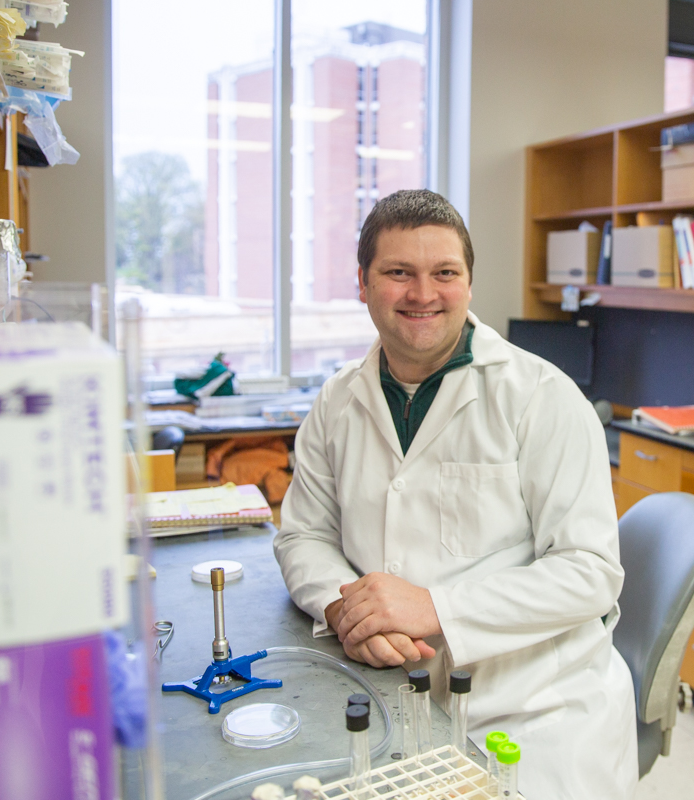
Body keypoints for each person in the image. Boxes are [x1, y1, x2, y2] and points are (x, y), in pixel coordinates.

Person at [273, 189, 637, 799]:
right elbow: (304, 534)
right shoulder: (337, 401)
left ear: (468, 282)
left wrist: (436, 609)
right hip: (391, 690)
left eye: (445, 272)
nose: (423, 294)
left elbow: (591, 571)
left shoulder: (541, 397)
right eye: (398, 273)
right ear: (362, 284)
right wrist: (345, 608)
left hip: (534, 711)